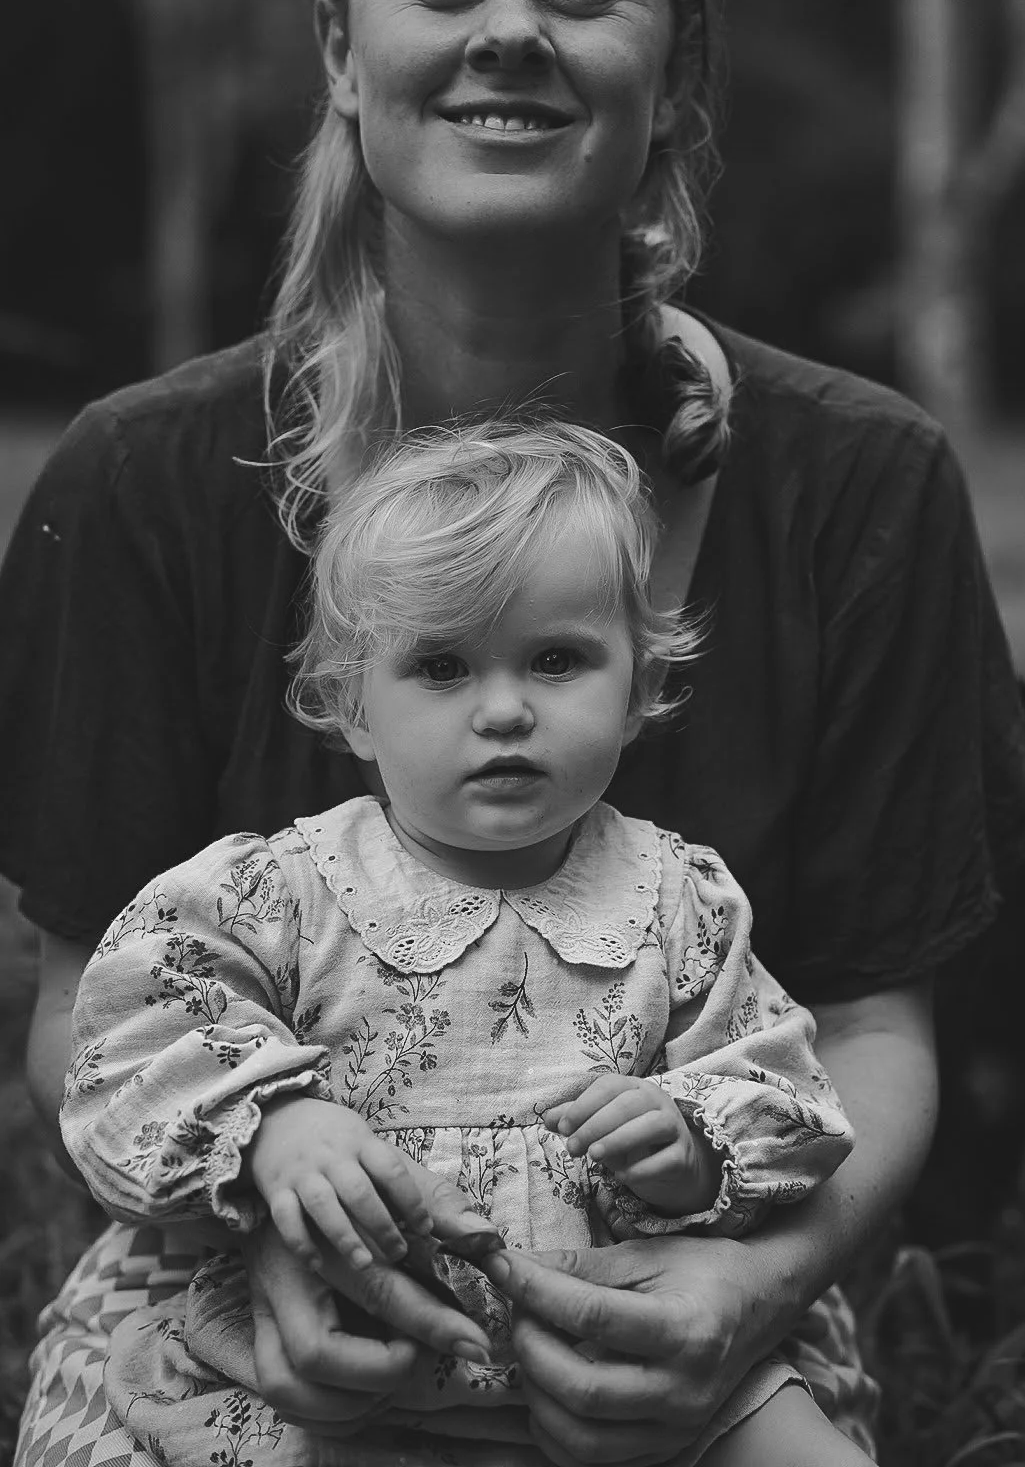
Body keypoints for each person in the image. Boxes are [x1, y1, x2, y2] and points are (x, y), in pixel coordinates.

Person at [2, 0, 1025, 1462]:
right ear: (343, 49)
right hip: (256, 1296)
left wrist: (746, 1291)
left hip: (678, 1316)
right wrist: (283, 1207)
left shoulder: (858, 487)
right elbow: (94, 1013)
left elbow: (872, 1036)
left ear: (676, 65)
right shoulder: (145, 482)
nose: (510, 32)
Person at [59, 421, 875, 1466]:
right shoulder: (282, 891)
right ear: (353, 703)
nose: (503, 709)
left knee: (799, 1441)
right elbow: (132, 1029)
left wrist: (689, 1144)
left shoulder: (679, 898)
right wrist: (270, 1129)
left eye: (556, 659)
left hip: (617, 1353)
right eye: (441, 665)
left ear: (635, 690)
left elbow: (785, 1088)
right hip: (350, 1342)